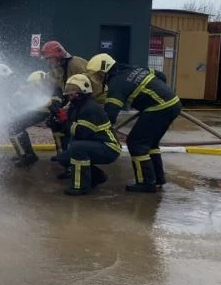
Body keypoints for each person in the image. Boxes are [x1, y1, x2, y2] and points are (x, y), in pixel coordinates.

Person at [86, 53, 182, 193]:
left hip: (159, 108)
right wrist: (156, 93)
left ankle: (146, 183)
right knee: (150, 144)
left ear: (104, 71)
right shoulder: (134, 69)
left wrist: (96, 128)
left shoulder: (116, 83)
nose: (98, 79)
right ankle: (157, 178)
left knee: (136, 143)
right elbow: (161, 76)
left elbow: (111, 114)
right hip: (173, 103)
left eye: (98, 76)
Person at [53, 74, 122, 196]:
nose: (70, 95)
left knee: (77, 148)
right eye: (69, 92)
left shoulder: (90, 108)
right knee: (64, 158)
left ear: (83, 92)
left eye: (73, 92)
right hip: (97, 144)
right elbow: (70, 128)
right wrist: (56, 122)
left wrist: (65, 121)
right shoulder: (78, 106)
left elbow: (81, 133)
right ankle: (97, 177)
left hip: (109, 147)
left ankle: (80, 187)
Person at [4, 70, 55, 167]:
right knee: (14, 125)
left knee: (15, 126)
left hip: (42, 111)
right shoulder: (42, 89)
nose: (32, 87)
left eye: (34, 85)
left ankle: (27, 156)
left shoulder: (48, 92)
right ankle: (23, 154)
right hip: (40, 111)